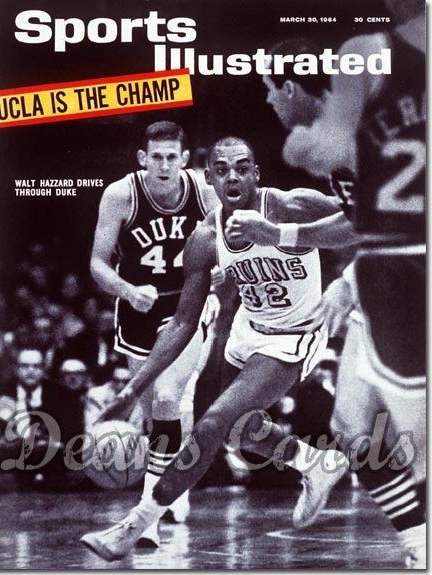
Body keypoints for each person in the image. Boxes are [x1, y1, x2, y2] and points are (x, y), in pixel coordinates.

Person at [80, 136, 349, 561]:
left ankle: (135, 525)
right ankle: (315, 463)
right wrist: (132, 390)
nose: (233, 177)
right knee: (239, 430)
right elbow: (182, 323)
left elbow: (362, 221)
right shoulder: (205, 237)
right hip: (247, 329)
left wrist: (342, 281)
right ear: (210, 179)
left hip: (297, 333)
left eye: (242, 167)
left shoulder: (288, 205)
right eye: (221, 170)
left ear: (256, 173)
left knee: (212, 423)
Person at [258, 11, 426, 567]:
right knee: (351, 428)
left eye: (270, 90)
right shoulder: (349, 127)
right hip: (384, 278)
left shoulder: (360, 117)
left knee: (415, 434)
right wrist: (284, 234)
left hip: (406, 277)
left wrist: (346, 281)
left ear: (289, 87)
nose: (269, 102)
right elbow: (358, 219)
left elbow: (400, 219)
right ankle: (417, 544)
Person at [89, 120, 219, 544]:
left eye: (171, 157)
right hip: (137, 309)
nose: (164, 166)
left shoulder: (203, 191)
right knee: (155, 414)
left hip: (188, 305)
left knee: (168, 395)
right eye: (156, 157)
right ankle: (173, 483)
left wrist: (223, 271)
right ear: (142, 159)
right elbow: (97, 264)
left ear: (185, 159)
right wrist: (128, 290)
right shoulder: (120, 195)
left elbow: (233, 244)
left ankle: (147, 517)